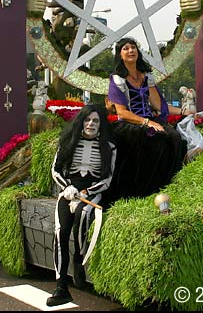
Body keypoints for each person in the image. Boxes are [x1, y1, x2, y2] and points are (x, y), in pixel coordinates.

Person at [46, 104, 117, 306]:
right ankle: (61, 287)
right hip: (69, 190)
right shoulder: (68, 142)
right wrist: (68, 188)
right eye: (87, 120)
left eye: (95, 120)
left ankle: (79, 259)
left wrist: (86, 193)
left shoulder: (109, 147)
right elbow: (56, 170)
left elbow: (107, 179)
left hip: (91, 193)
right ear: (81, 122)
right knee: (60, 232)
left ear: (101, 123)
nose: (91, 124)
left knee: (83, 214)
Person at [107, 37, 187, 200]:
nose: (130, 51)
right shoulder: (117, 80)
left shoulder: (146, 76)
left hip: (149, 119)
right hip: (130, 123)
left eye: (133, 47)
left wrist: (184, 111)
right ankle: (144, 190)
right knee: (153, 139)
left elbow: (158, 105)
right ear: (120, 55)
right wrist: (147, 122)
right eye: (126, 49)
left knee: (174, 138)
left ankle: (168, 184)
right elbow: (122, 112)